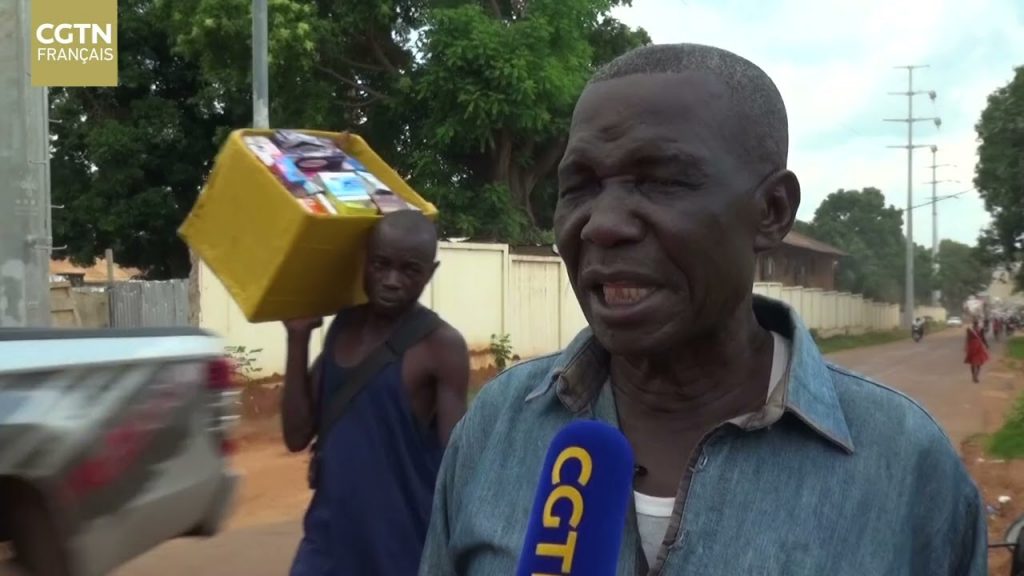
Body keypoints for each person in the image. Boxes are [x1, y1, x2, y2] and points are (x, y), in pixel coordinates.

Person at [419, 43, 986, 575]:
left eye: (662, 180)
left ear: (771, 211)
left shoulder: (907, 463)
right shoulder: (496, 428)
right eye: (581, 185)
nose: (603, 224)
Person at [283, 210, 470, 576]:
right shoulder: (343, 326)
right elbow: (296, 435)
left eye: (409, 270)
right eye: (381, 265)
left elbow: (457, 471)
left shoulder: (441, 346)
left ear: (430, 273)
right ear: (365, 262)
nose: (391, 281)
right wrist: (298, 336)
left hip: (401, 552)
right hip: (325, 549)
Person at [965, 317, 990, 383]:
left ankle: (974, 375)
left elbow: (968, 339)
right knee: (979, 362)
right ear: (978, 323)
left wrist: (966, 347)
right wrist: (986, 345)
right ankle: (975, 376)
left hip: (972, 347)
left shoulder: (969, 329)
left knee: (973, 363)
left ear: (973, 324)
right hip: (979, 347)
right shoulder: (980, 329)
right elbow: (983, 338)